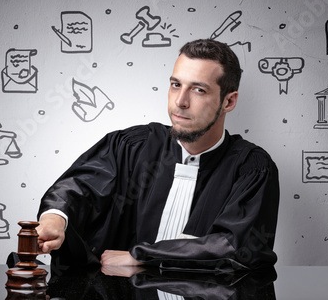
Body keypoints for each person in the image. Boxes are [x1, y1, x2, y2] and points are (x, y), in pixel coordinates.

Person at [36, 38, 280, 272]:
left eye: (198, 89)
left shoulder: (252, 168)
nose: (180, 102)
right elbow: (78, 187)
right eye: (176, 85)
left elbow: (236, 247)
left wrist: (142, 256)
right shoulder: (132, 146)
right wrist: (56, 219)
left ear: (228, 101)